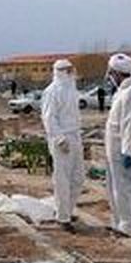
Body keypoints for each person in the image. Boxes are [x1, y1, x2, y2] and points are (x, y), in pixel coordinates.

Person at [105, 53, 131, 236]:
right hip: (116, 148)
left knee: (125, 189)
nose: (109, 77)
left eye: (111, 73)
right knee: (116, 188)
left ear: (117, 73)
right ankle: (120, 222)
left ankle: (129, 226)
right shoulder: (123, 92)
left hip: (123, 150)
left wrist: (128, 152)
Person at [40, 59, 84, 230]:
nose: (72, 72)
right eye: (69, 70)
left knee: (78, 178)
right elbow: (49, 118)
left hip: (74, 136)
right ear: (62, 71)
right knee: (62, 180)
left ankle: (66, 210)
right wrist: (59, 138)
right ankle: (63, 217)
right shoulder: (52, 91)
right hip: (62, 139)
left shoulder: (71, 89)